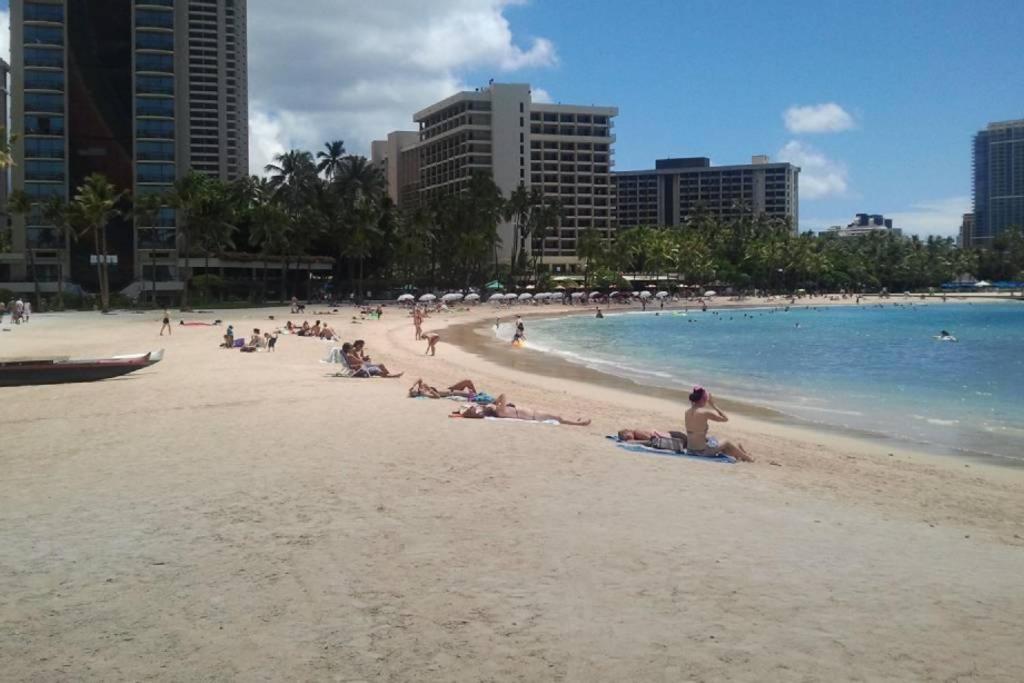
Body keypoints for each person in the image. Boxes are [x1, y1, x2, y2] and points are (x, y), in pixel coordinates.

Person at [684, 386, 753, 462]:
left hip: (690, 451)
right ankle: (749, 458)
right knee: (726, 441)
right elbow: (725, 419)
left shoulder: (687, 412)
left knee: (713, 441)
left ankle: (741, 454)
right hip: (702, 452)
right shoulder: (704, 412)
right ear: (703, 399)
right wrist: (713, 405)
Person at [456, 393, 590, 426]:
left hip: (532, 414)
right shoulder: (500, 411)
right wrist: (495, 402)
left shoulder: (499, 412)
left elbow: (478, 411)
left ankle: (575, 421)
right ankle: (579, 423)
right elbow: (503, 395)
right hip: (533, 416)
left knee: (557, 416)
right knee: (558, 418)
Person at [408, 378, 479, 399]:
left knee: (468, 381)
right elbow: (438, 396)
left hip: (450, 388)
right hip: (451, 393)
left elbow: (419, 379)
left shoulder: (420, 388)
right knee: (472, 394)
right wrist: (429, 389)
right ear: (417, 394)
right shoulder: (424, 394)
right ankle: (476, 396)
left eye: (414, 390)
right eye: (415, 392)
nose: (416, 390)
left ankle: (475, 394)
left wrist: (413, 386)